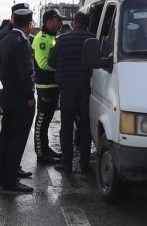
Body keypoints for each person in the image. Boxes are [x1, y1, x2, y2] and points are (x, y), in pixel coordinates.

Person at [0, 8, 36, 193]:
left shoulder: (5, 39)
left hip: (7, 95)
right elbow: (26, 73)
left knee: (6, 137)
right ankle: (10, 181)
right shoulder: (21, 42)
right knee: (17, 139)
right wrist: (30, 95)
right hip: (20, 99)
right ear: (28, 24)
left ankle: (4, 175)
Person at [48, 11, 95, 174]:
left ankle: (66, 164)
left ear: (75, 22)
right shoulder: (93, 39)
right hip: (86, 88)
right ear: (87, 24)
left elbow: (51, 61)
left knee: (67, 126)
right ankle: (84, 165)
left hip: (67, 88)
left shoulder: (62, 39)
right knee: (85, 127)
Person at [31, 9, 65, 165]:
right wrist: (63, 69)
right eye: (58, 21)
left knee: (48, 120)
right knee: (42, 121)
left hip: (54, 84)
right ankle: (41, 153)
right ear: (49, 22)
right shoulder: (42, 38)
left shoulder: (53, 37)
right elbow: (43, 64)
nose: (61, 23)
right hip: (45, 85)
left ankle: (46, 148)